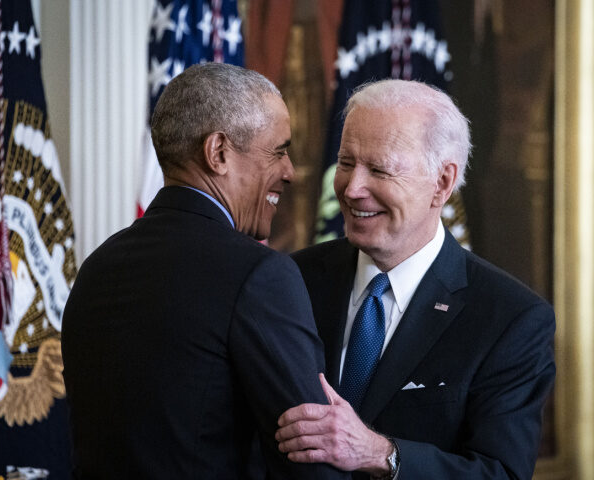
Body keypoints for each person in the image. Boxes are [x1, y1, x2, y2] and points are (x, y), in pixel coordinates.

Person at [61, 63, 348, 479]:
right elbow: (311, 463)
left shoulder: (97, 268)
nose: (289, 172)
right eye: (278, 151)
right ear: (218, 153)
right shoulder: (259, 276)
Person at [275, 79, 555, 479]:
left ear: (441, 183)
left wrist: (381, 454)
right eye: (347, 162)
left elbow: (501, 473)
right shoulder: (292, 281)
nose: (352, 189)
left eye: (379, 170)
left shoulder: (510, 319)